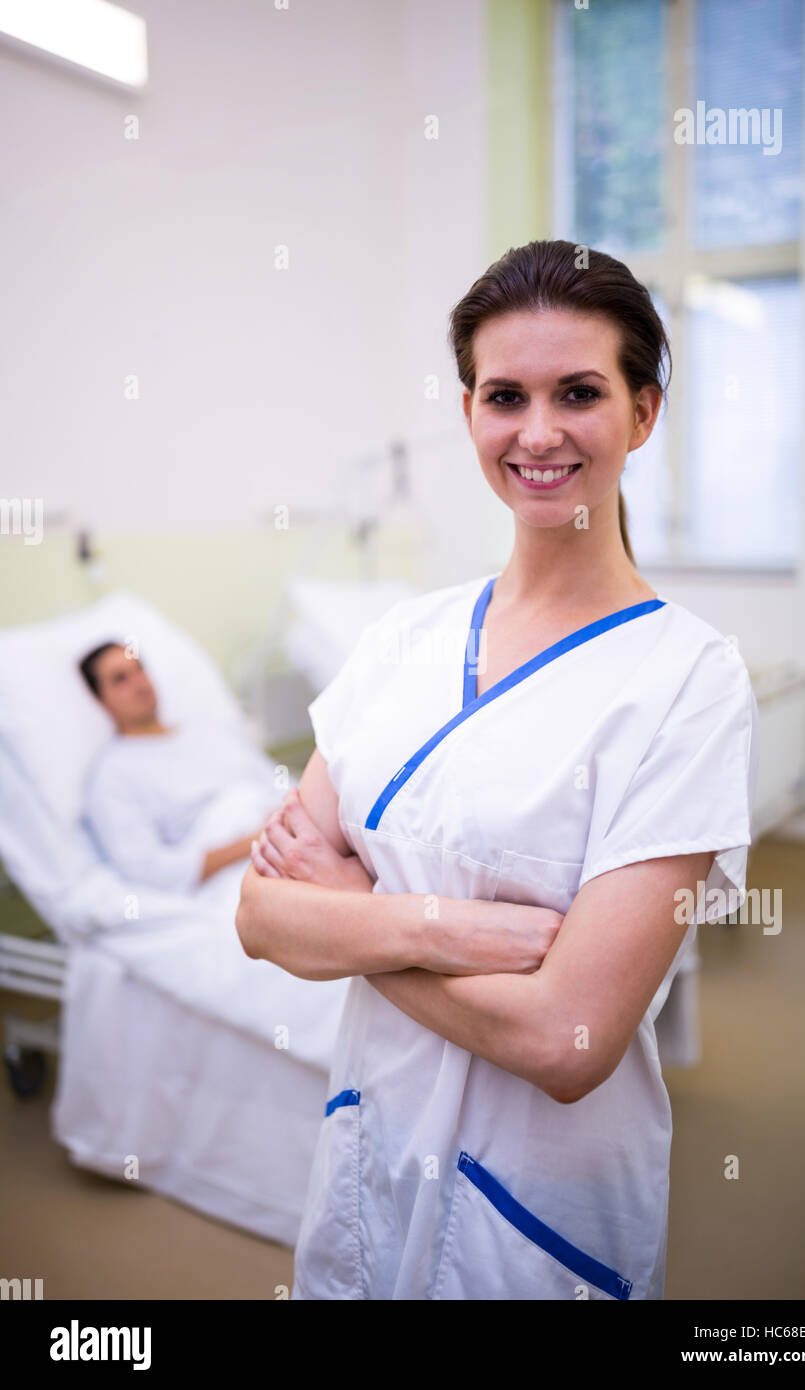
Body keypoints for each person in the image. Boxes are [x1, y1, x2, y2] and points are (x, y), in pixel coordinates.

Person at [235, 240, 759, 1301]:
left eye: (578, 392)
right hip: (366, 1146)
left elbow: (568, 1041)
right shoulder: (399, 641)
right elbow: (258, 917)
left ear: (642, 412)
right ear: (469, 409)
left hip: (536, 1212)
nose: (536, 432)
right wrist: (437, 927)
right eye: (502, 395)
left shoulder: (686, 678)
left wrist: (350, 914)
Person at [79, 641, 282, 893]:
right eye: (120, 679)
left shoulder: (208, 731)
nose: (139, 683)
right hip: (235, 871)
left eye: (139, 669)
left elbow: (278, 785)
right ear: (101, 700)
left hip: (286, 834)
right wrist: (256, 841)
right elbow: (149, 871)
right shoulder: (112, 776)